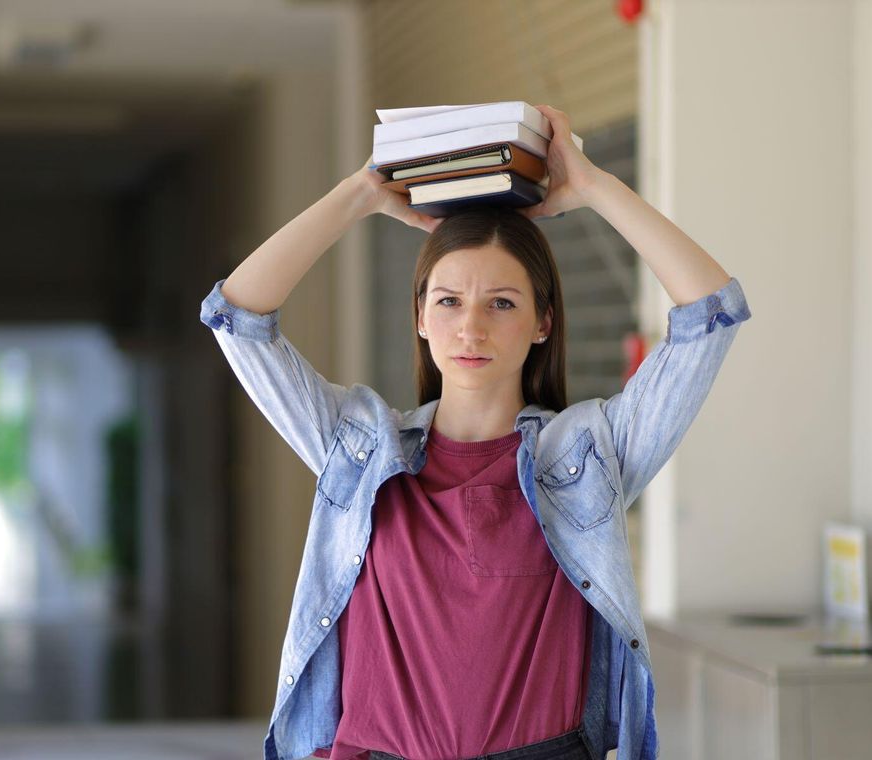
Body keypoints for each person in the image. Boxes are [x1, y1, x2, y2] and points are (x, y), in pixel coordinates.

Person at [199, 105, 752, 760]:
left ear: (543, 321)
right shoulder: (359, 448)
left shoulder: (587, 457)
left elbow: (710, 312)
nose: (471, 328)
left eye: (503, 303)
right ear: (421, 317)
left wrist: (597, 187)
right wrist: (362, 193)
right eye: (449, 301)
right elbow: (237, 316)